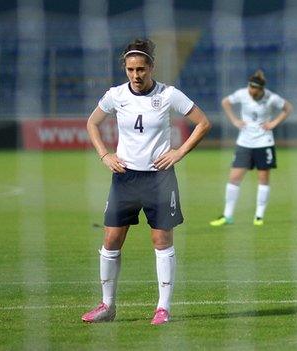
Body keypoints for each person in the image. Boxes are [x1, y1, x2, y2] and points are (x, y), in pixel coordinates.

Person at [82, 38, 211, 325]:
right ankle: (107, 306)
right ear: (125, 69)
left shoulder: (169, 95)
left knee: (161, 241)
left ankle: (163, 308)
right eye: (130, 69)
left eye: (141, 69)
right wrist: (104, 154)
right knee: (111, 240)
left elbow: (203, 122)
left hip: (159, 179)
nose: (136, 75)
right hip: (124, 177)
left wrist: (179, 152)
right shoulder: (115, 95)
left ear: (151, 67)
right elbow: (92, 122)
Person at [210, 70, 293, 226]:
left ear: (261, 89)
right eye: (250, 87)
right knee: (234, 178)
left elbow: (288, 108)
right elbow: (225, 102)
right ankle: (227, 215)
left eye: (255, 88)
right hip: (245, 142)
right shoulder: (242, 94)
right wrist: (234, 120)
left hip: (264, 142)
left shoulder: (271, 98)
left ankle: (259, 216)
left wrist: (274, 123)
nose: (252, 91)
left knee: (263, 179)